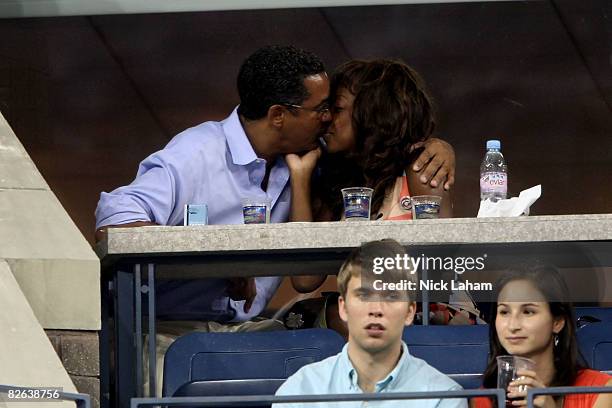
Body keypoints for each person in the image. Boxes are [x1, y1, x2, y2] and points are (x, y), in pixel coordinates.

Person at [95, 47, 456, 324]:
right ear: (278, 116)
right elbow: (117, 216)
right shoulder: (197, 152)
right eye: (321, 108)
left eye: (334, 108)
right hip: (169, 329)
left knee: (322, 327)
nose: (328, 117)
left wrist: (439, 147)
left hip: (249, 332)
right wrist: (216, 262)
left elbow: (441, 263)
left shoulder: (316, 162)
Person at [274, 239, 467, 408]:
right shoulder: (301, 391)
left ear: (409, 312)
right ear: (343, 307)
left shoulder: (443, 397)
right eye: (363, 295)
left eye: (391, 296)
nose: (376, 309)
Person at [473, 266, 612, 408]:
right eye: (504, 312)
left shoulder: (602, 390)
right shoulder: (483, 399)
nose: (512, 325)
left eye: (528, 312)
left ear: (557, 322)